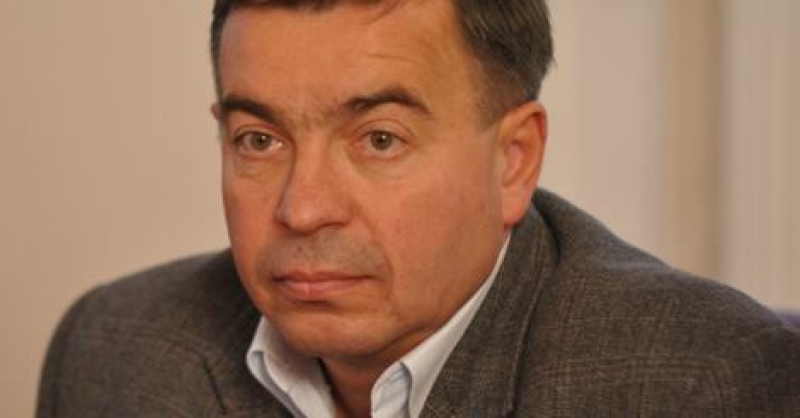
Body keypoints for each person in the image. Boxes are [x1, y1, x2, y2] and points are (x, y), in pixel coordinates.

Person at [37, 0, 800, 416]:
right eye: (259, 140)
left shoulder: (694, 382)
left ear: (513, 159)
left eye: (379, 139)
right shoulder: (115, 350)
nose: (303, 209)